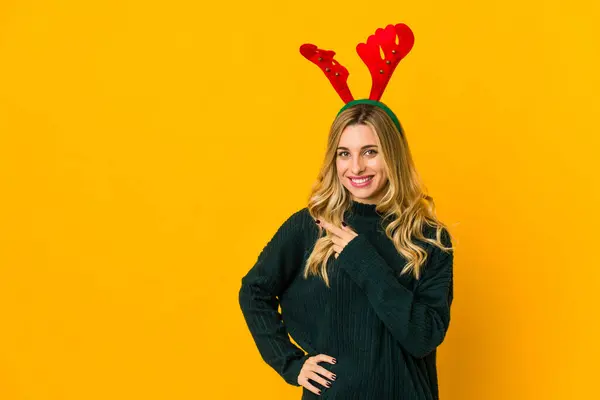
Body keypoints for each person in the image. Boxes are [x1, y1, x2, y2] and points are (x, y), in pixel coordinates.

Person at [238, 23, 454, 399]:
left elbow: (422, 338)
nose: (356, 167)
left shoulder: (429, 238)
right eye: (344, 153)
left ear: (393, 155)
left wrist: (361, 259)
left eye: (370, 151)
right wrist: (291, 363)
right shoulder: (310, 227)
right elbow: (253, 291)